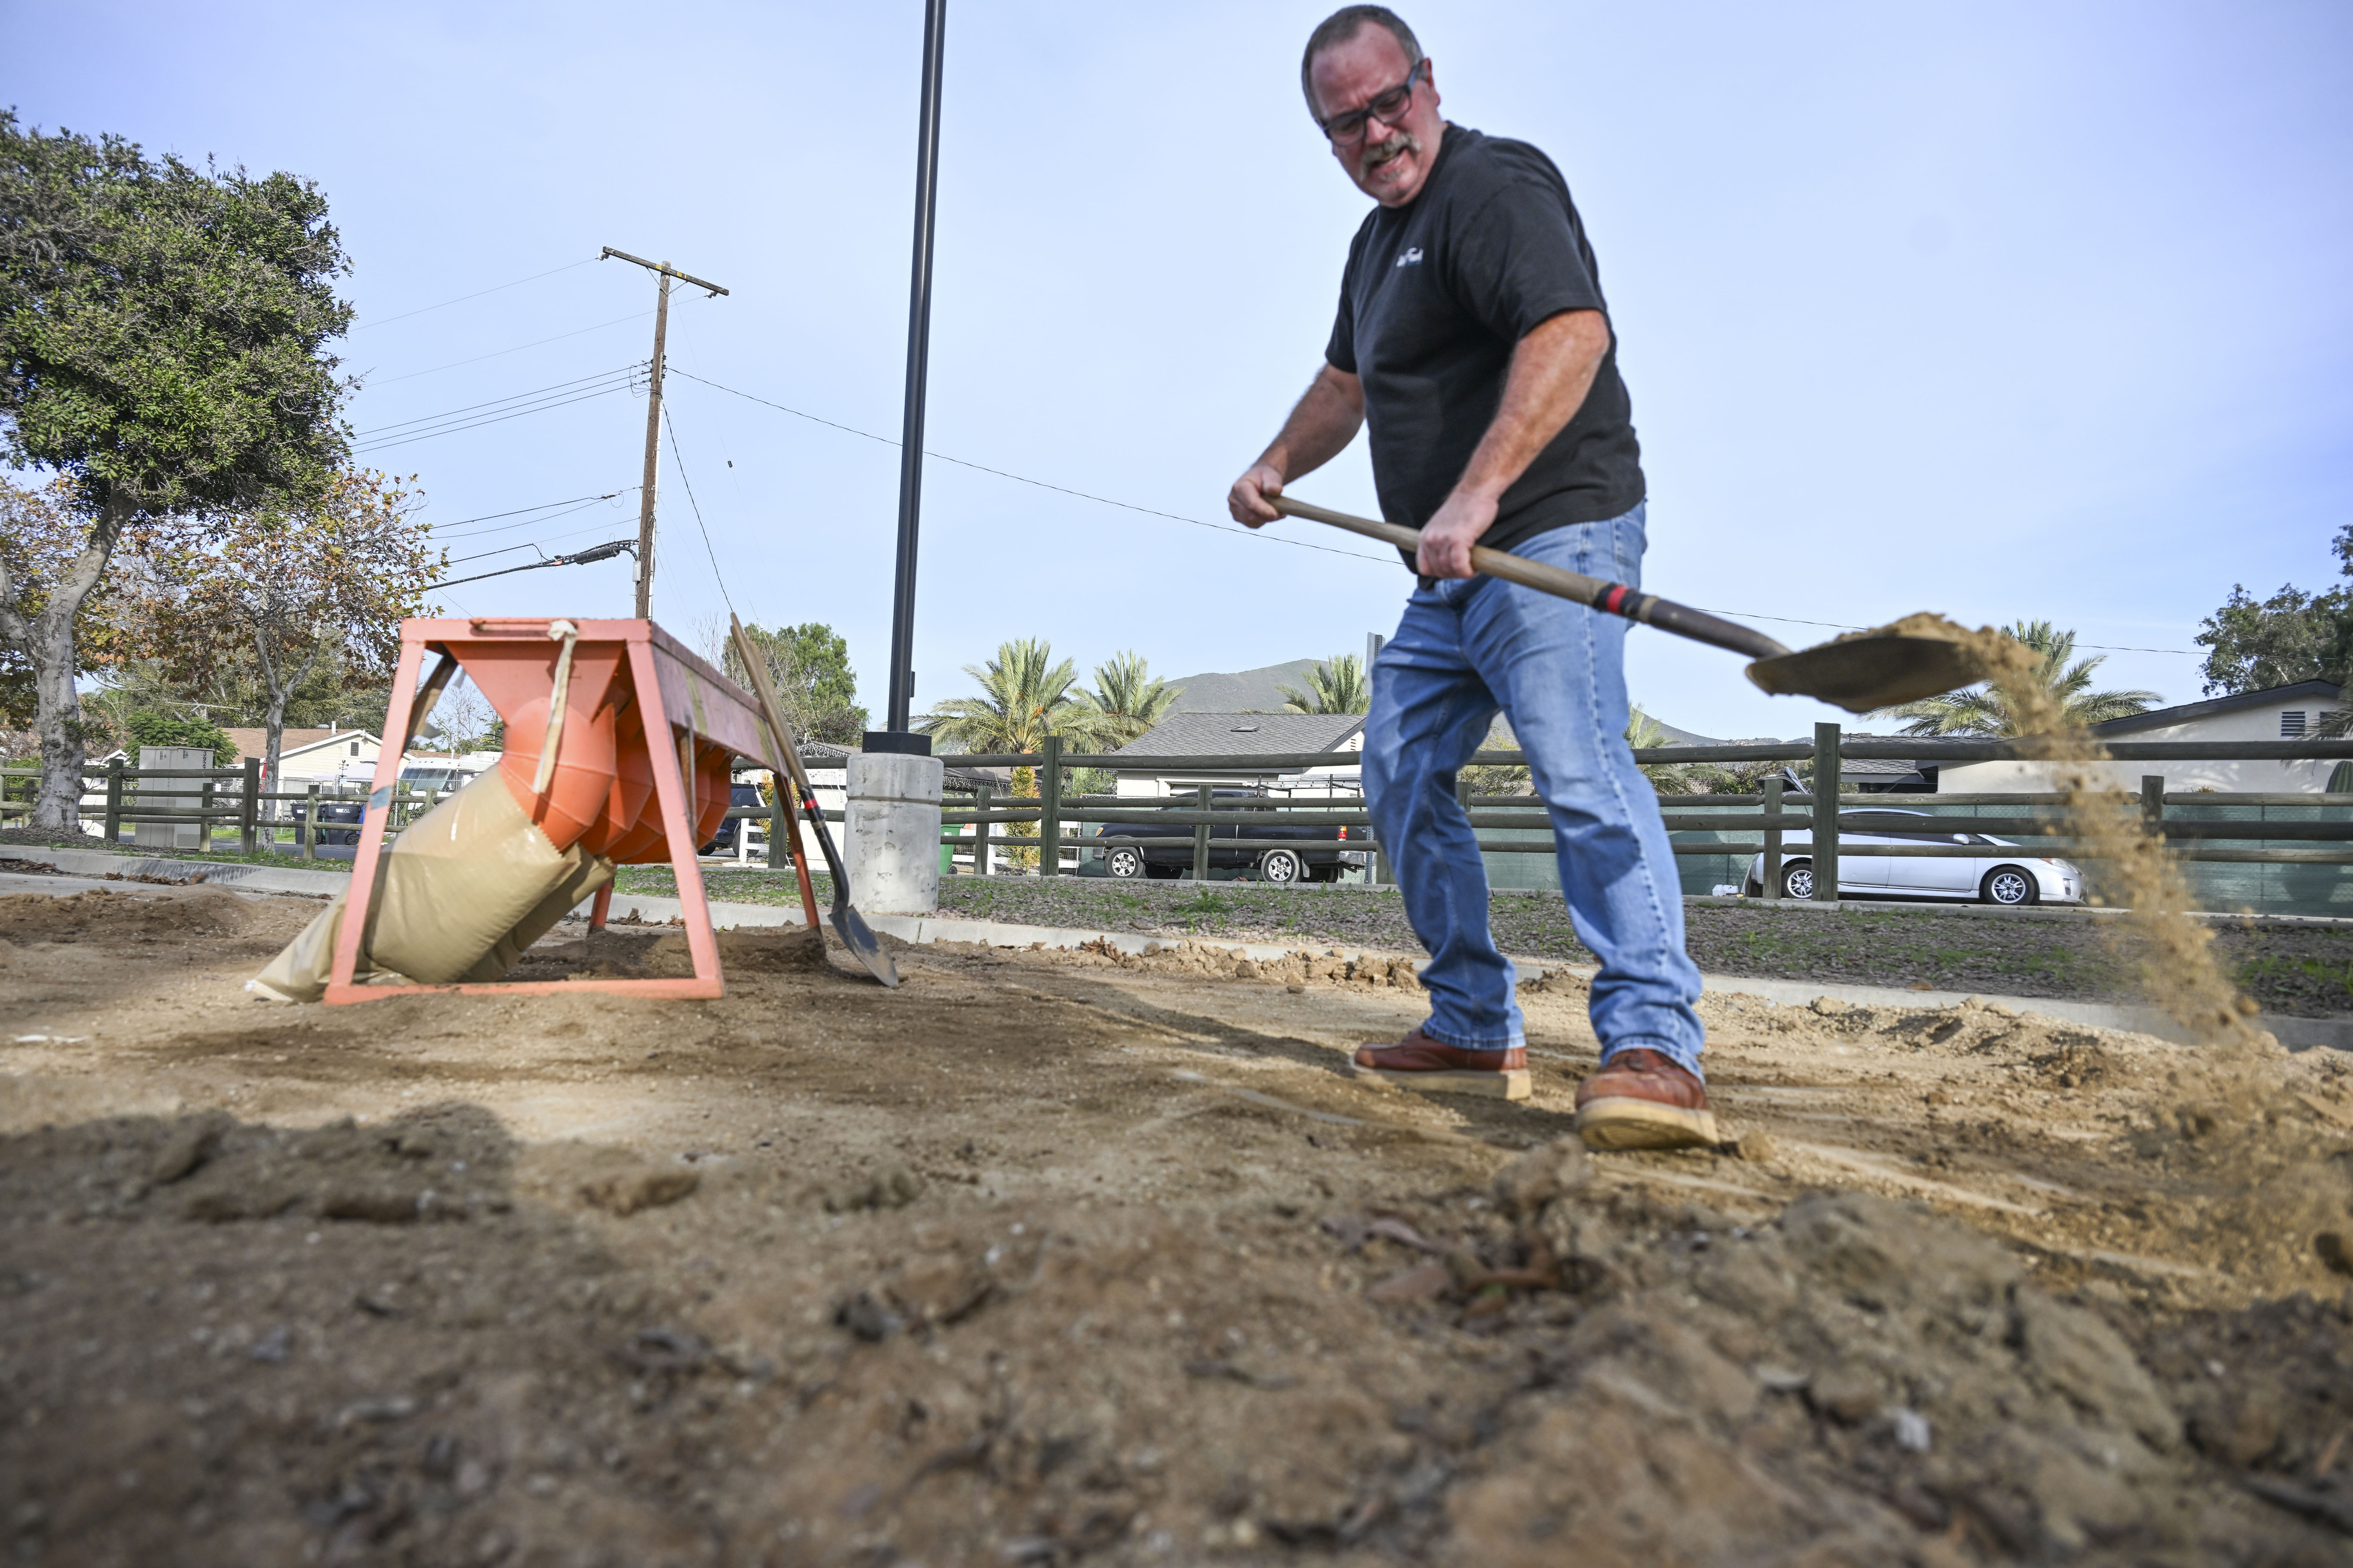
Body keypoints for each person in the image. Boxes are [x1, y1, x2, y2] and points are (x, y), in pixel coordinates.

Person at [1228, 5, 1715, 1150]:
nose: (1374, 132)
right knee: (1396, 768)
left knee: (1579, 769)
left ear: (1426, 82)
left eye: (1386, 101)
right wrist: (1273, 462)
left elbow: (1570, 333)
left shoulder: (1493, 189)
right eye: (1344, 123)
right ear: (1326, 138)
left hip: (1549, 536)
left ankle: (1654, 1045)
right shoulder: (1369, 251)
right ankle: (1471, 1023)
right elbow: (1345, 387)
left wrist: (1475, 491)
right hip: (1445, 575)